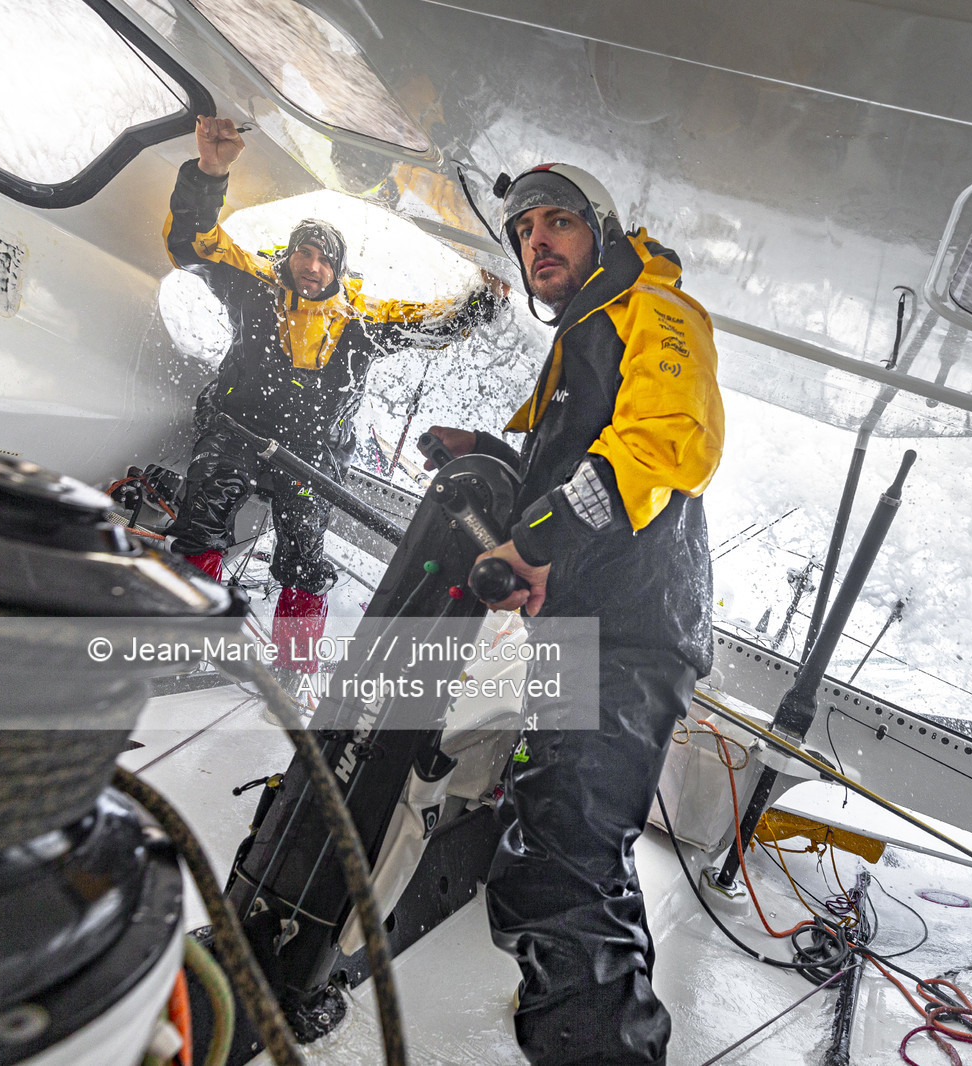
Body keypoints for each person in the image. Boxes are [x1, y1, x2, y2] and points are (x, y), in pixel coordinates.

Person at [422, 164, 724, 1065]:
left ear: (602, 231)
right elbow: (574, 458)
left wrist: (536, 541)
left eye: (559, 221)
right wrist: (489, 451)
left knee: (560, 858)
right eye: (523, 232)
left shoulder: (656, 312)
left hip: (627, 630)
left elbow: (665, 444)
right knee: (563, 837)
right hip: (581, 629)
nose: (537, 240)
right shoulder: (588, 335)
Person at [162, 116, 503, 690]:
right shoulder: (253, 285)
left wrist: (489, 291)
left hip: (312, 458)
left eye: (323, 258)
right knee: (200, 522)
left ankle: (295, 665)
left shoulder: (363, 324)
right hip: (236, 432)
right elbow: (190, 242)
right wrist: (212, 170)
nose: (311, 265)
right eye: (304, 253)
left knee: (304, 554)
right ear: (290, 256)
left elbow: (439, 323)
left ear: (337, 269)